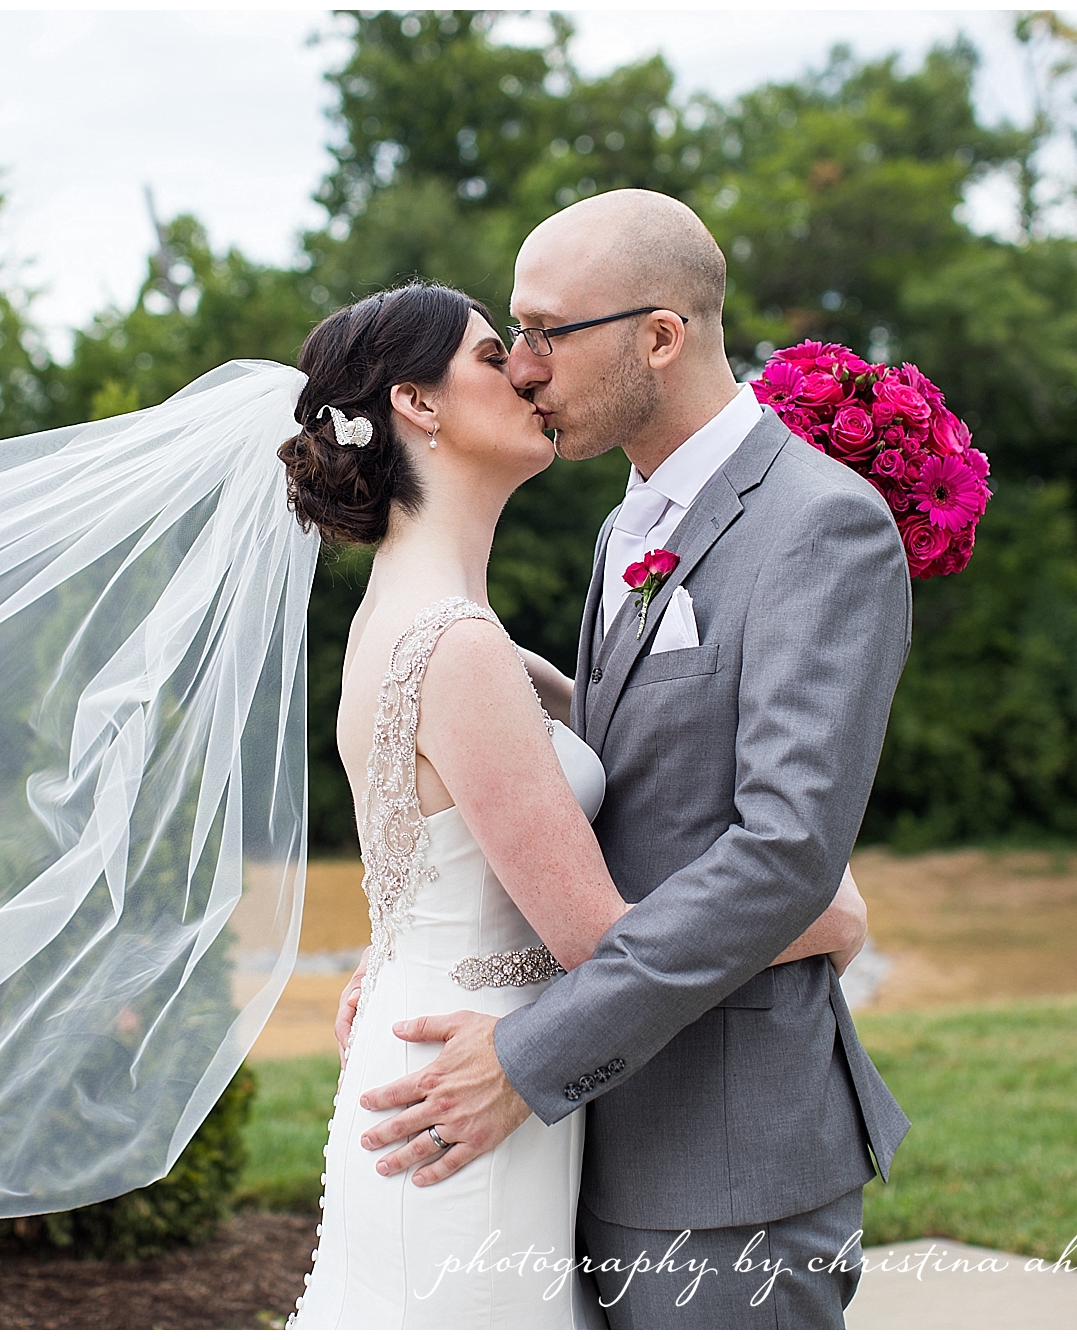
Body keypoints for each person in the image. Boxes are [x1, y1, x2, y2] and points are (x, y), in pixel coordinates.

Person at [337, 191, 913, 1328]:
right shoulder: (623, 526)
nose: (528, 367)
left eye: (548, 332)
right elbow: (606, 769)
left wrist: (529, 1051)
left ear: (659, 335)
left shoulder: (816, 523)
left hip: (725, 1149)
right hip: (582, 1142)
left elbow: (786, 845)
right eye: (513, 338)